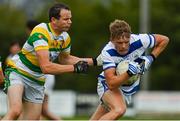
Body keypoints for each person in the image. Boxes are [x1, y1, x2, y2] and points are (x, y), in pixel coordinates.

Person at [2, 3, 99, 120]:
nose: (70, 22)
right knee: (16, 110)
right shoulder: (41, 32)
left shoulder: (65, 37)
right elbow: (46, 67)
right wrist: (74, 68)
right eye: (66, 19)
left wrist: (96, 61)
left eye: (70, 19)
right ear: (53, 20)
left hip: (37, 80)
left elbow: (65, 59)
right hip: (18, 72)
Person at [90, 19, 169, 120]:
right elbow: (111, 83)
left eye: (126, 42)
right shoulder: (107, 52)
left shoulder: (140, 40)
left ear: (130, 37)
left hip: (127, 88)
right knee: (119, 110)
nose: (123, 46)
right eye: (119, 42)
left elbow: (164, 40)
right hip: (108, 85)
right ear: (112, 39)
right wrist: (128, 73)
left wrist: (150, 58)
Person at [26, 19, 61, 120]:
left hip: (44, 76)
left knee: (37, 109)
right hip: (47, 76)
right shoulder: (46, 37)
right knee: (43, 110)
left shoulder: (38, 38)